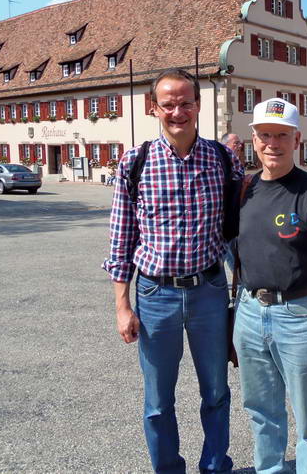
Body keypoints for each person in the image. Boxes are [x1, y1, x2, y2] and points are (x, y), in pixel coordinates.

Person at [103, 68, 242, 474]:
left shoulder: (222, 158)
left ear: (198, 105)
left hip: (209, 291)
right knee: (158, 400)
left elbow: (235, 231)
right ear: (154, 108)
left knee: (216, 391)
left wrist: (243, 294)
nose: (177, 111)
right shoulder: (136, 160)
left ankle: (215, 466)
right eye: (168, 104)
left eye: (185, 103)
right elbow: (120, 239)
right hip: (154, 294)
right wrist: (121, 305)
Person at [233, 97, 307, 473]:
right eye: (265, 134)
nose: (273, 143)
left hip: (302, 317)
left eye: (282, 135)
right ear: (253, 139)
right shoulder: (243, 191)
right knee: (261, 410)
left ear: (296, 139)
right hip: (251, 313)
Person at [220, 132, 245, 272]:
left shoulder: (237, 163)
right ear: (225, 145)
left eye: (240, 143)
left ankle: (238, 282)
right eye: (236, 143)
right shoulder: (219, 163)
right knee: (227, 254)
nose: (240, 146)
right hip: (222, 220)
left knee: (232, 255)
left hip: (234, 219)